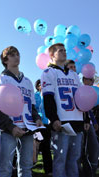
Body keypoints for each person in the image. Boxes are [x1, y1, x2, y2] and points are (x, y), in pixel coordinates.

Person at [0, 46, 43, 177]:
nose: (16, 57)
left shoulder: (28, 81)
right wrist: (10, 127)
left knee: (26, 166)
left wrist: (36, 118)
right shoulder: (1, 80)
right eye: (12, 55)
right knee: (5, 167)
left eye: (18, 54)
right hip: (10, 129)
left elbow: (32, 107)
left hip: (27, 128)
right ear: (5, 59)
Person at [41, 43, 90, 177]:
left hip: (77, 121)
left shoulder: (73, 74)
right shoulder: (48, 72)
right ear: (52, 55)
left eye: (64, 50)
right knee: (60, 160)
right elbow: (48, 98)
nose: (64, 52)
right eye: (60, 50)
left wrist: (86, 118)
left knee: (74, 160)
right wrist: (54, 118)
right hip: (62, 122)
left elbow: (82, 98)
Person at [80, 76, 99, 177]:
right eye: (88, 79)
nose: (90, 81)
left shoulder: (94, 92)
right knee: (82, 150)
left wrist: (94, 121)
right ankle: (82, 172)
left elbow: (90, 109)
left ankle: (91, 172)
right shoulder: (80, 90)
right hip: (81, 124)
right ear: (83, 80)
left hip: (90, 124)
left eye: (92, 80)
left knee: (94, 148)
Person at [34, 79, 52, 175]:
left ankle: (48, 170)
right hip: (37, 125)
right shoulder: (35, 96)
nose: (43, 86)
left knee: (46, 147)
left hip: (46, 124)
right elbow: (34, 107)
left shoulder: (48, 96)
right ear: (37, 86)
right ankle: (32, 165)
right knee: (35, 145)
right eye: (41, 84)